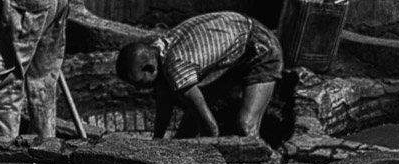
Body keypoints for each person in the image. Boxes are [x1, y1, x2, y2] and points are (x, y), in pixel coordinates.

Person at [116, 11, 282, 139]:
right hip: (235, 52)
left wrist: (208, 161)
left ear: (150, 68)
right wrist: (157, 142)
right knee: (190, 121)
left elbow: (210, 128)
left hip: (261, 48)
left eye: (139, 82)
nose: (139, 89)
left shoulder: (176, 67)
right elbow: (164, 101)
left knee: (246, 126)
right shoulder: (159, 50)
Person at [0, 0, 70, 139]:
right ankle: (43, 149)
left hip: (23, 6)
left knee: (6, 88)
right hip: (57, 5)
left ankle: (2, 150)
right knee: (43, 85)